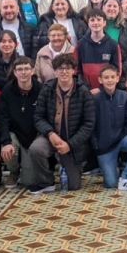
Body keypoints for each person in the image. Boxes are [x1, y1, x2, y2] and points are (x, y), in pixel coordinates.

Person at [31, 54, 95, 192]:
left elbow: (88, 124)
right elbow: (38, 117)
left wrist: (70, 144)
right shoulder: (47, 89)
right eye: (60, 68)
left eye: (68, 68)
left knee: (73, 186)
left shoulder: (83, 91)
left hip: (72, 142)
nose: (64, 71)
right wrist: (50, 133)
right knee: (36, 149)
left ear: (74, 71)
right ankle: (46, 181)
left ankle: (66, 167)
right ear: (55, 71)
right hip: (51, 137)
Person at [92, 67, 127, 192]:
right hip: (104, 147)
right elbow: (91, 125)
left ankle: (126, 178)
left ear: (117, 78)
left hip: (121, 139)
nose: (109, 80)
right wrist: (96, 145)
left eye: (112, 77)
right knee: (111, 183)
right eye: (106, 77)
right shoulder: (95, 99)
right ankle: (113, 169)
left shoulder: (125, 97)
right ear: (100, 80)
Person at [0, 56, 44, 190]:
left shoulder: (41, 90)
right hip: (15, 134)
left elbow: (45, 117)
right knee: (8, 150)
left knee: (29, 182)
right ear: (15, 72)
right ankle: (14, 171)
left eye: (26, 69)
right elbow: (3, 118)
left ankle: (28, 168)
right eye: (20, 69)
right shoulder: (7, 91)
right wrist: (6, 142)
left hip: (35, 134)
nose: (23, 72)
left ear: (33, 71)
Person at [76, 9, 121, 92]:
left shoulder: (113, 45)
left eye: (99, 19)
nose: (95, 23)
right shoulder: (81, 44)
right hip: (85, 92)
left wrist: (102, 89)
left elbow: (117, 70)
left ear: (104, 23)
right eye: (92, 20)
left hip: (106, 91)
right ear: (88, 23)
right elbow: (77, 70)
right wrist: (85, 89)